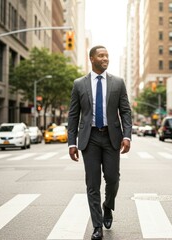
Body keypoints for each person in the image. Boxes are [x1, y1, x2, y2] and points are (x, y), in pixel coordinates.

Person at [67, 46, 132, 240]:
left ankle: (107, 206)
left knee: (112, 179)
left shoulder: (118, 83)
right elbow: (73, 115)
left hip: (112, 137)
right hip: (90, 138)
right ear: (92, 58)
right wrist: (72, 142)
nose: (105, 59)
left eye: (107, 56)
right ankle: (97, 226)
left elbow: (126, 111)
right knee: (92, 183)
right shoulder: (79, 84)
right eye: (101, 56)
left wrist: (127, 136)